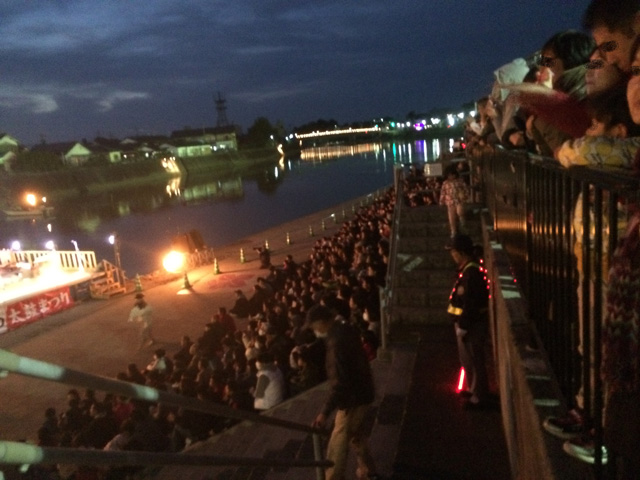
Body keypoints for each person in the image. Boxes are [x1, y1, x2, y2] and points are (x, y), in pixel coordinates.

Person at [308, 304, 378, 480]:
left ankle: (333, 477)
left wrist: (325, 412)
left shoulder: (336, 343)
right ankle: (369, 471)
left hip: (352, 399)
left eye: (314, 326)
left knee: (338, 440)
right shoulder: (344, 329)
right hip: (362, 390)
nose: (314, 331)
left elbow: (339, 383)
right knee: (356, 434)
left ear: (322, 322)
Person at [446, 234, 490, 408]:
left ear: (461, 252)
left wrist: (463, 326)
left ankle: (479, 397)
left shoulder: (471, 272)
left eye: (454, 252)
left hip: (472, 325)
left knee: (475, 359)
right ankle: (474, 391)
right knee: (470, 360)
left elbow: (470, 302)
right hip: (468, 324)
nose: (452, 255)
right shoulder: (467, 270)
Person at [439, 164, 468, 238]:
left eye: (452, 175)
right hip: (450, 201)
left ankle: (462, 222)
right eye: (449, 175)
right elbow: (443, 192)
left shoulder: (460, 181)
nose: (451, 177)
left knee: (460, 211)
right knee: (451, 217)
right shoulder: (445, 183)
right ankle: (453, 231)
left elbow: (465, 189)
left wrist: (465, 196)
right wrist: (441, 201)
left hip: (459, 200)